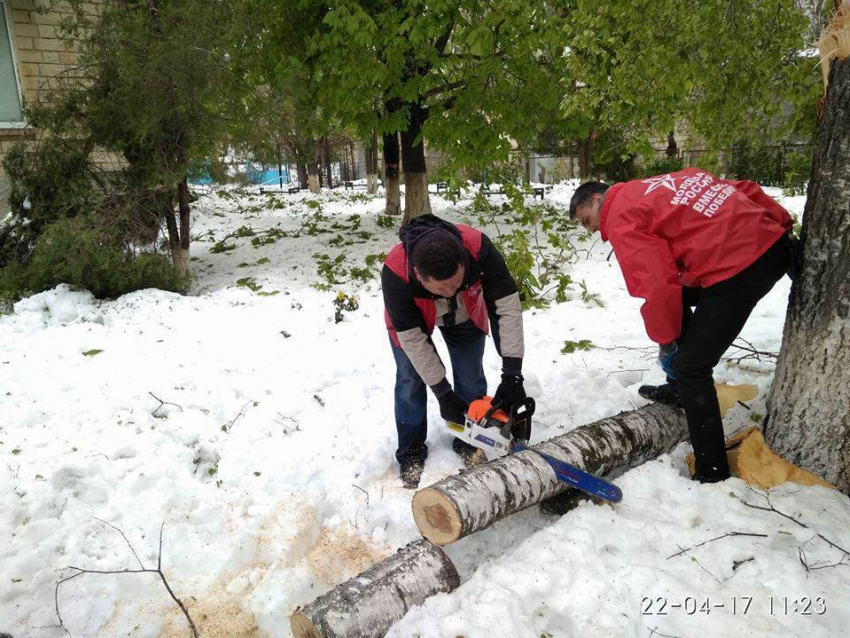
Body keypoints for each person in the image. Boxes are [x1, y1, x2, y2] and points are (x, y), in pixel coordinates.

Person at [569, 168, 794, 483]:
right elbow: (741, 187)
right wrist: (781, 226)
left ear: (597, 198)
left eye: (586, 219)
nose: (591, 229)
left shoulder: (621, 218)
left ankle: (711, 470)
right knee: (680, 291)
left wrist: (667, 345)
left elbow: (657, 288)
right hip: (770, 244)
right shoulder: (656, 185)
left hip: (741, 265)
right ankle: (679, 389)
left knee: (691, 367)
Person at [382, 214, 526, 488]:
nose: (450, 291)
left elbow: (506, 307)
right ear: (418, 275)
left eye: (456, 282)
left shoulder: (478, 247)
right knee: (410, 380)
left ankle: (469, 439)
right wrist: (442, 392)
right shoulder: (396, 272)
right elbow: (412, 339)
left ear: (464, 260)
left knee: (470, 377)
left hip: (465, 314)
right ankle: (410, 450)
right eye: (441, 287)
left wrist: (512, 374)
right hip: (412, 323)